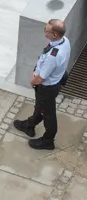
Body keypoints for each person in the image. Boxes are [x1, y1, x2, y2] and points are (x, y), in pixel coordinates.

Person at [14, 19, 71, 150]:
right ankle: (29, 125)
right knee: (41, 106)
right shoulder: (64, 41)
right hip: (52, 83)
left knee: (48, 113)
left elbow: (41, 78)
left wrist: (33, 82)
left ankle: (48, 140)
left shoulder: (53, 56)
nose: (45, 32)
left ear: (55, 35)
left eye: (47, 30)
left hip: (47, 87)